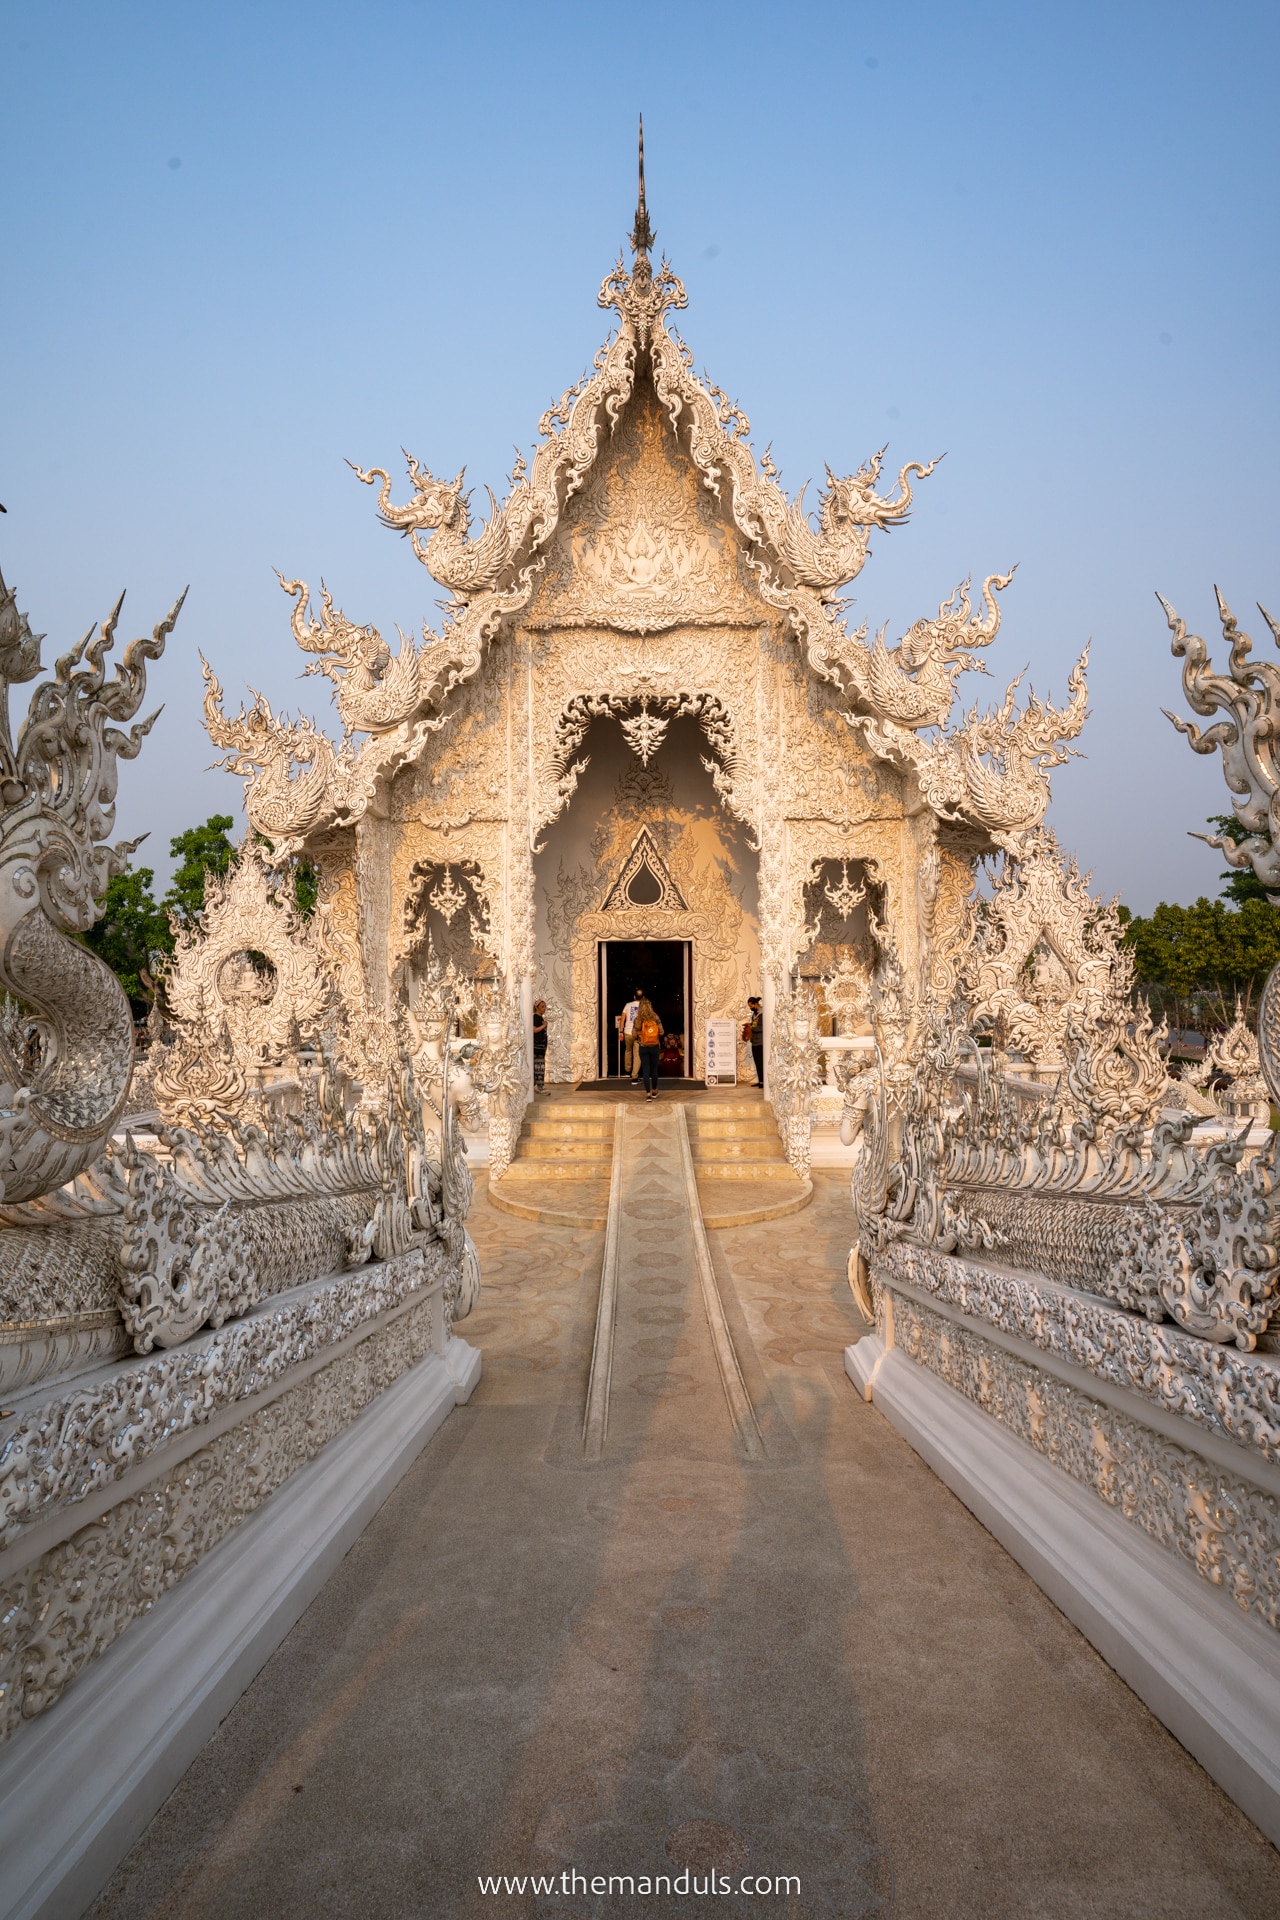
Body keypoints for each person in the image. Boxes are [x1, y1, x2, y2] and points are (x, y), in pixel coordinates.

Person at [635, 995, 664, 1098]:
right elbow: (661, 1031)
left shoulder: (638, 1019)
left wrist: (641, 1036)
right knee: (654, 1069)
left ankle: (648, 1093)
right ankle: (655, 1090)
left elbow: (634, 1034)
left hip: (643, 1046)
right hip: (654, 1046)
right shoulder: (655, 1017)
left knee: (646, 1070)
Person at [618, 988, 641, 1081]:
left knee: (628, 1051)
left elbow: (623, 1018)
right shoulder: (643, 1006)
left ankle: (627, 1071)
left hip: (627, 1032)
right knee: (637, 1054)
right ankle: (634, 1075)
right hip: (638, 1033)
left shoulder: (628, 1005)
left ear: (634, 996)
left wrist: (620, 1031)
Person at [747, 995, 764, 1087]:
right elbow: (754, 1025)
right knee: (757, 1062)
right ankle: (760, 1081)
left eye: (751, 1006)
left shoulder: (763, 1014)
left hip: (761, 1042)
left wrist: (752, 1027)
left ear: (756, 1004)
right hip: (754, 1042)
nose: (751, 1008)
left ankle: (764, 1082)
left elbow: (763, 1027)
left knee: (761, 1062)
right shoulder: (754, 1014)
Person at [532, 999, 548, 1090]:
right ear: (536, 1007)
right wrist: (544, 1025)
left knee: (540, 1067)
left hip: (541, 1047)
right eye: (542, 1007)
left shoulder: (540, 1018)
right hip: (537, 1047)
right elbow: (534, 1030)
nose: (544, 1008)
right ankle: (540, 1086)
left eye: (545, 1006)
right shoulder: (536, 1017)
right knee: (538, 1067)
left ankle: (537, 1085)